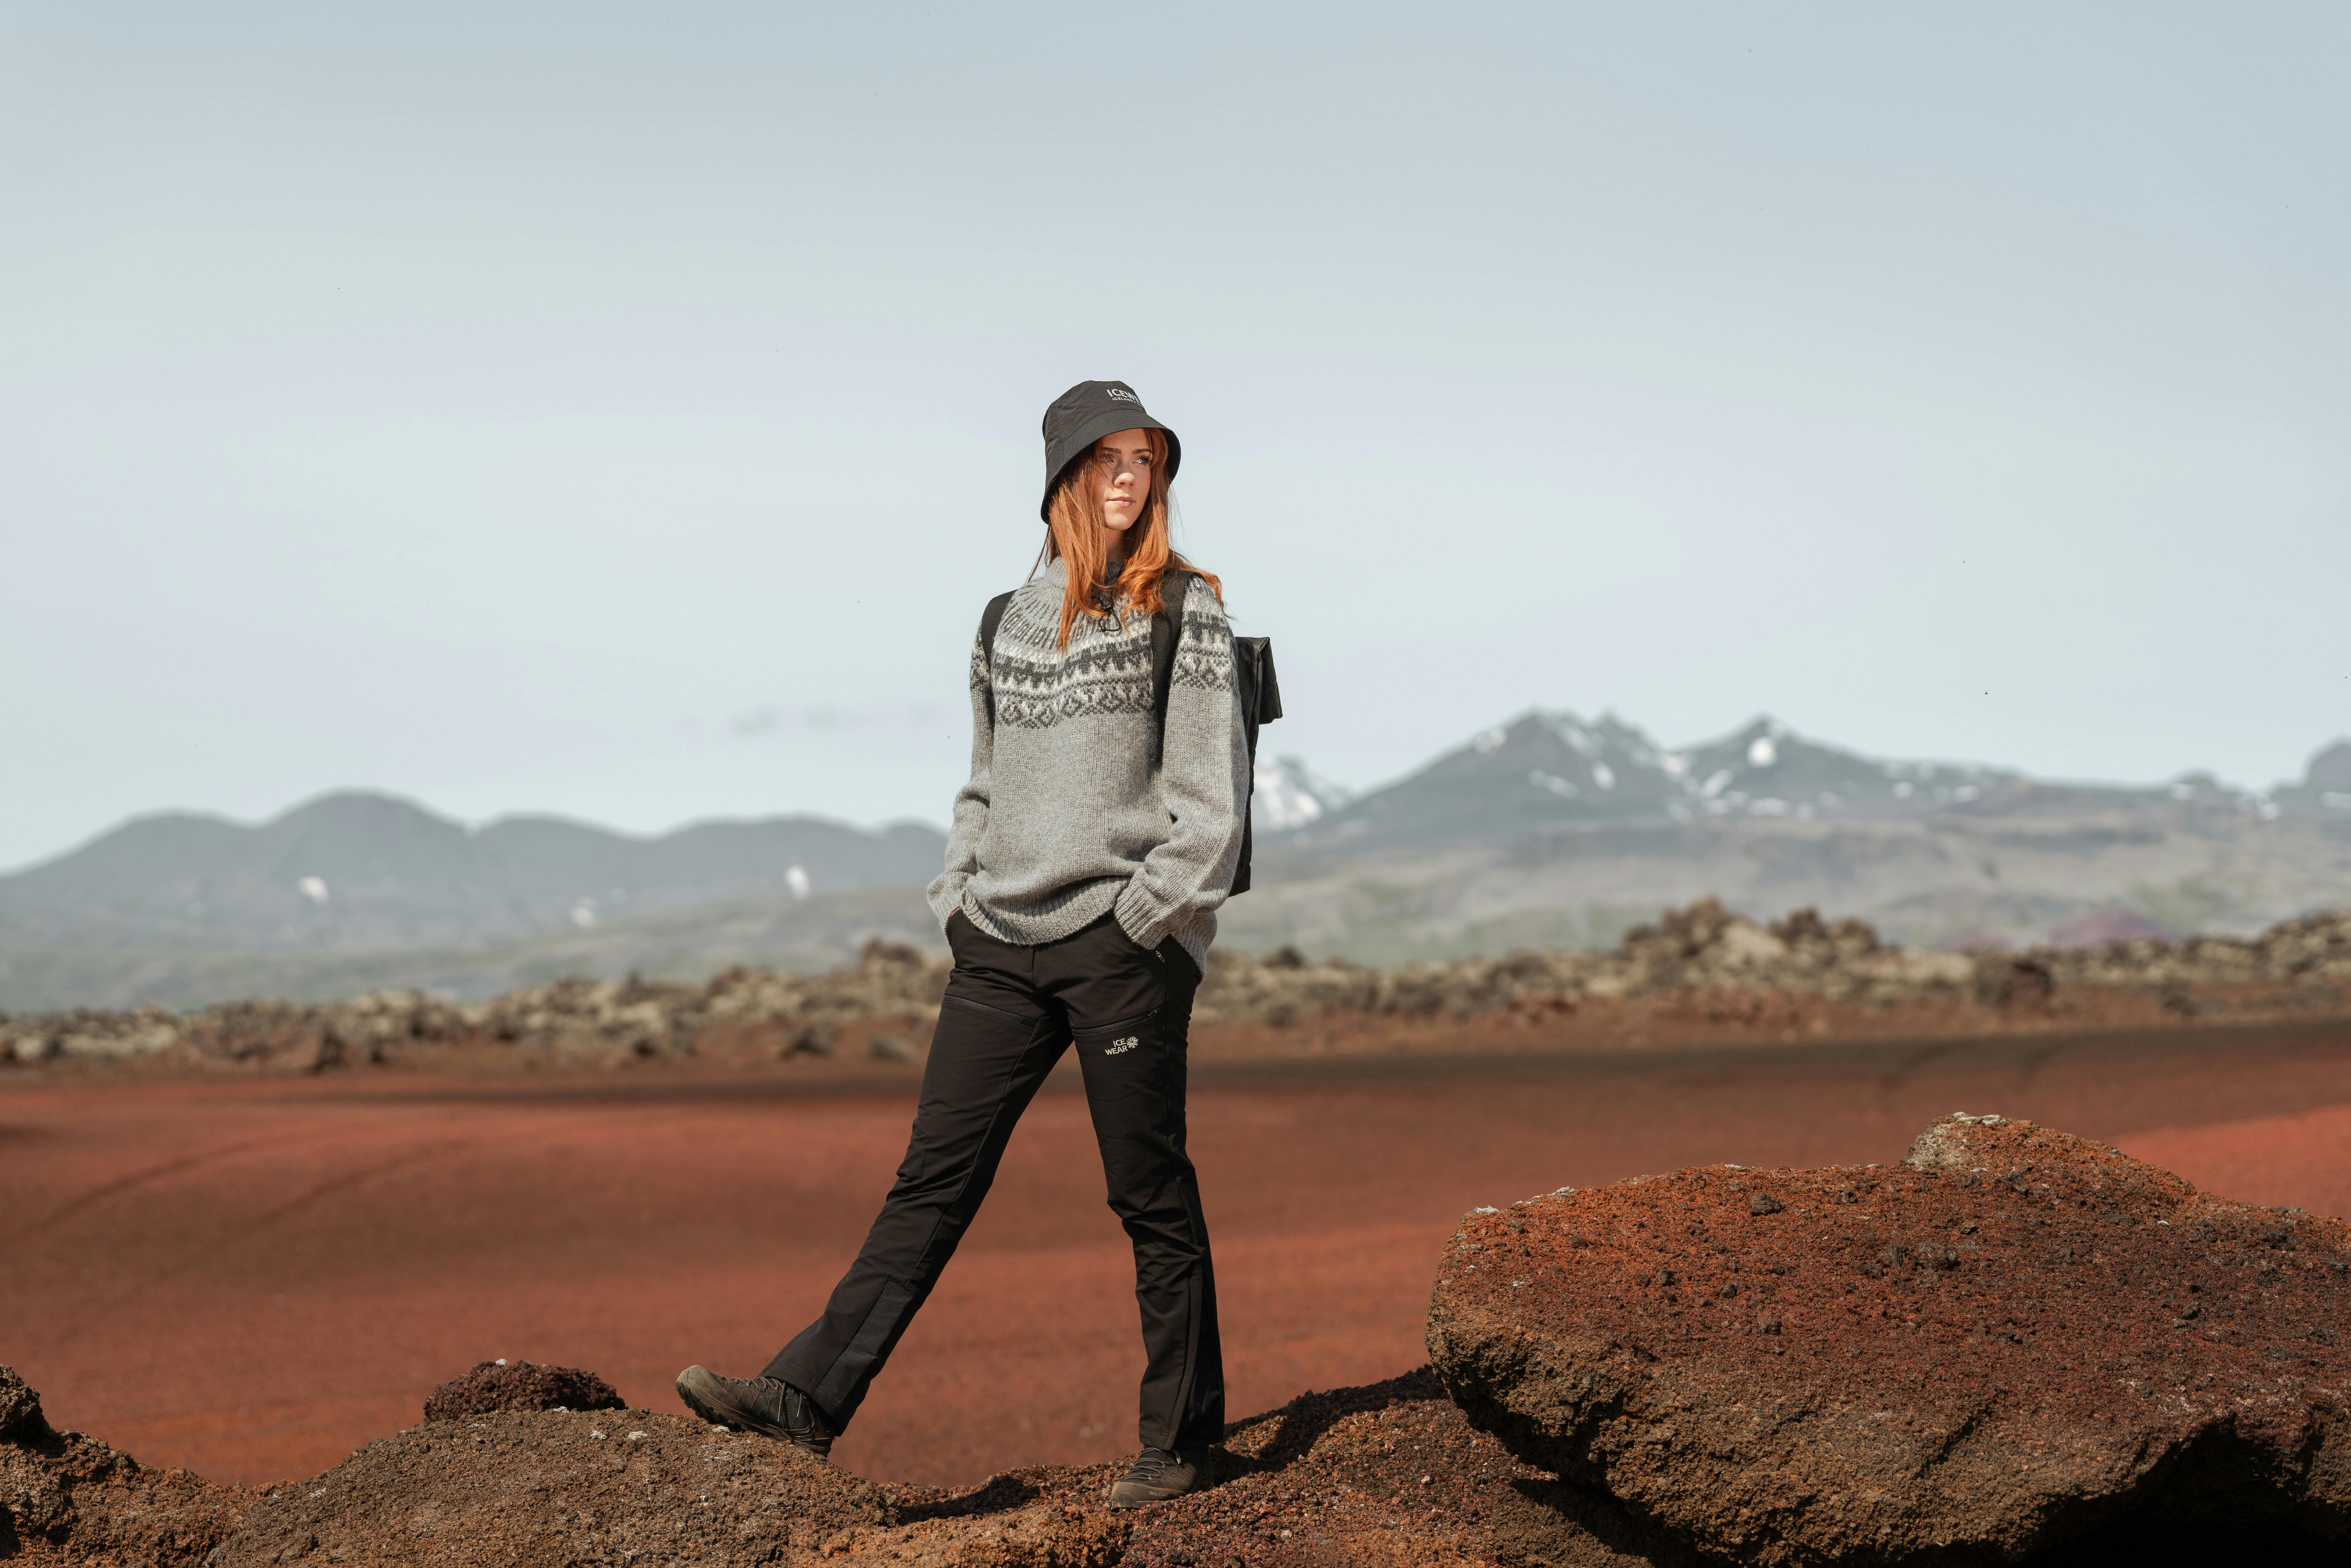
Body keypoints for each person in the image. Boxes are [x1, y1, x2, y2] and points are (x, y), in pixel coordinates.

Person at [676, 380, 1250, 1509]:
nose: (1132, 477)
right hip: (997, 941)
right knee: (928, 1182)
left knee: (1148, 1191)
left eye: (1147, 460)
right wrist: (957, 892)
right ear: (1062, 477)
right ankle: (806, 1402)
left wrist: (1142, 920)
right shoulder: (1003, 619)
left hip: (1118, 945)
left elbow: (1209, 803)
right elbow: (983, 780)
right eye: (1109, 460)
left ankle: (1179, 1443)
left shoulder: (1187, 608)